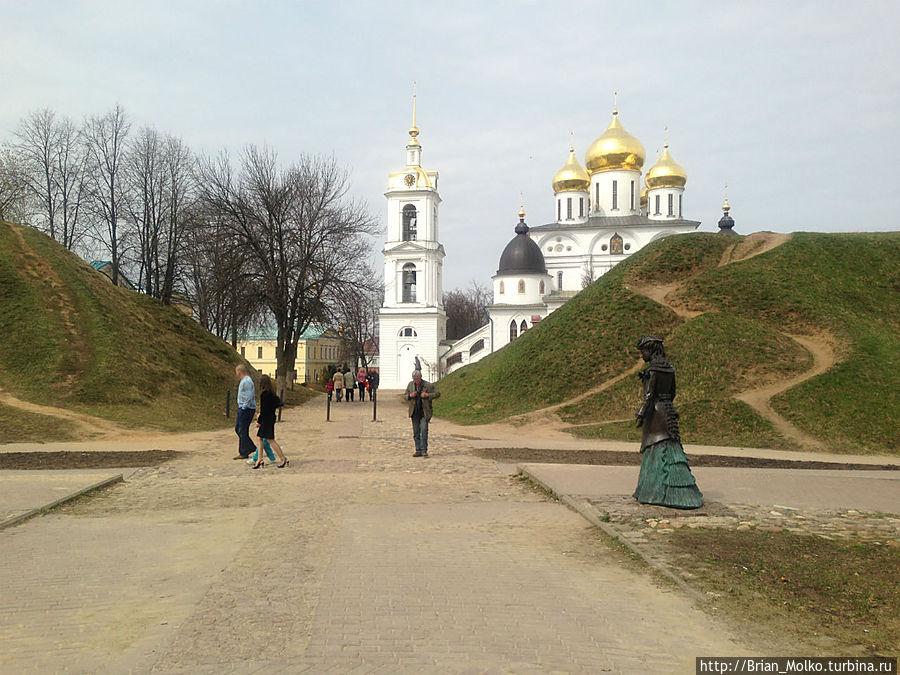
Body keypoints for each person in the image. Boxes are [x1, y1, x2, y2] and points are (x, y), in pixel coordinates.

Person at [632, 335, 702, 508]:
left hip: (655, 412)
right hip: (668, 410)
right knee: (669, 443)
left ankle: (654, 491)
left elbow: (649, 395)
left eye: (643, 351)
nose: (642, 355)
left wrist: (641, 413)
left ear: (652, 350)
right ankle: (677, 491)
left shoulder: (652, 371)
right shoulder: (670, 369)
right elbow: (673, 392)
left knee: (655, 444)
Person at [252, 374, 289, 469]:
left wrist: (259, 421)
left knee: (270, 440)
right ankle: (259, 459)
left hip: (266, 419)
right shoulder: (272, 393)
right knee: (260, 438)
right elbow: (279, 403)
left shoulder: (264, 394)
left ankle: (282, 458)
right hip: (271, 418)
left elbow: (263, 410)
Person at [404, 369, 440, 457]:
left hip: (424, 412)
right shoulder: (410, 385)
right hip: (414, 412)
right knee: (416, 432)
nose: (416, 380)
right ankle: (418, 450)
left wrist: (427, 395)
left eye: (418, 378)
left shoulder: (427, 385)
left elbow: (437, 394)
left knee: (424, 430)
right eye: (414, 378)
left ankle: (424, 450)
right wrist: (410, 396)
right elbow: (405, 396)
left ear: (421, 377)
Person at [234, 364, 256, 459]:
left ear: (239, 371)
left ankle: (244, 452)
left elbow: (249, 396)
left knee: (242, 429)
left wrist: (244, 407)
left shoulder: (247, 381)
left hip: (246, 408)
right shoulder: (244, 381)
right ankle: (250, 447)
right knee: (238, 428)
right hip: (243, 407)